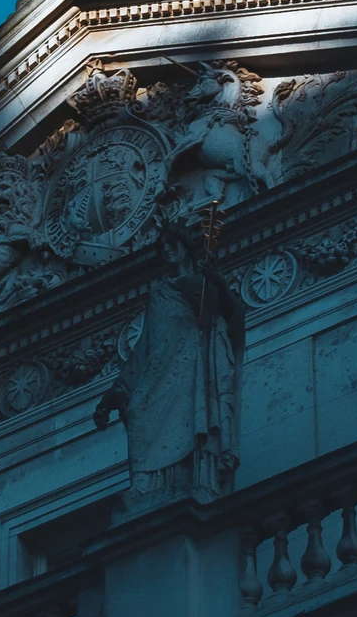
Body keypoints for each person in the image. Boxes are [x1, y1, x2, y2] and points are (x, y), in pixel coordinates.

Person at [97, 214, 247, 509]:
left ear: (185, 246)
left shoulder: (201, 283)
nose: (166, 249)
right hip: (159, 370)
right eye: (162, 246)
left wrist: (218, 283)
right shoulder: (160, 293)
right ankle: (146, 485)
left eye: (171, 243)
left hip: (192, 368)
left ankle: (188, 479)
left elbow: (232, 319)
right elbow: (143, 346)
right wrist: (114, 392)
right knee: (137, 410)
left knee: (191, 419)